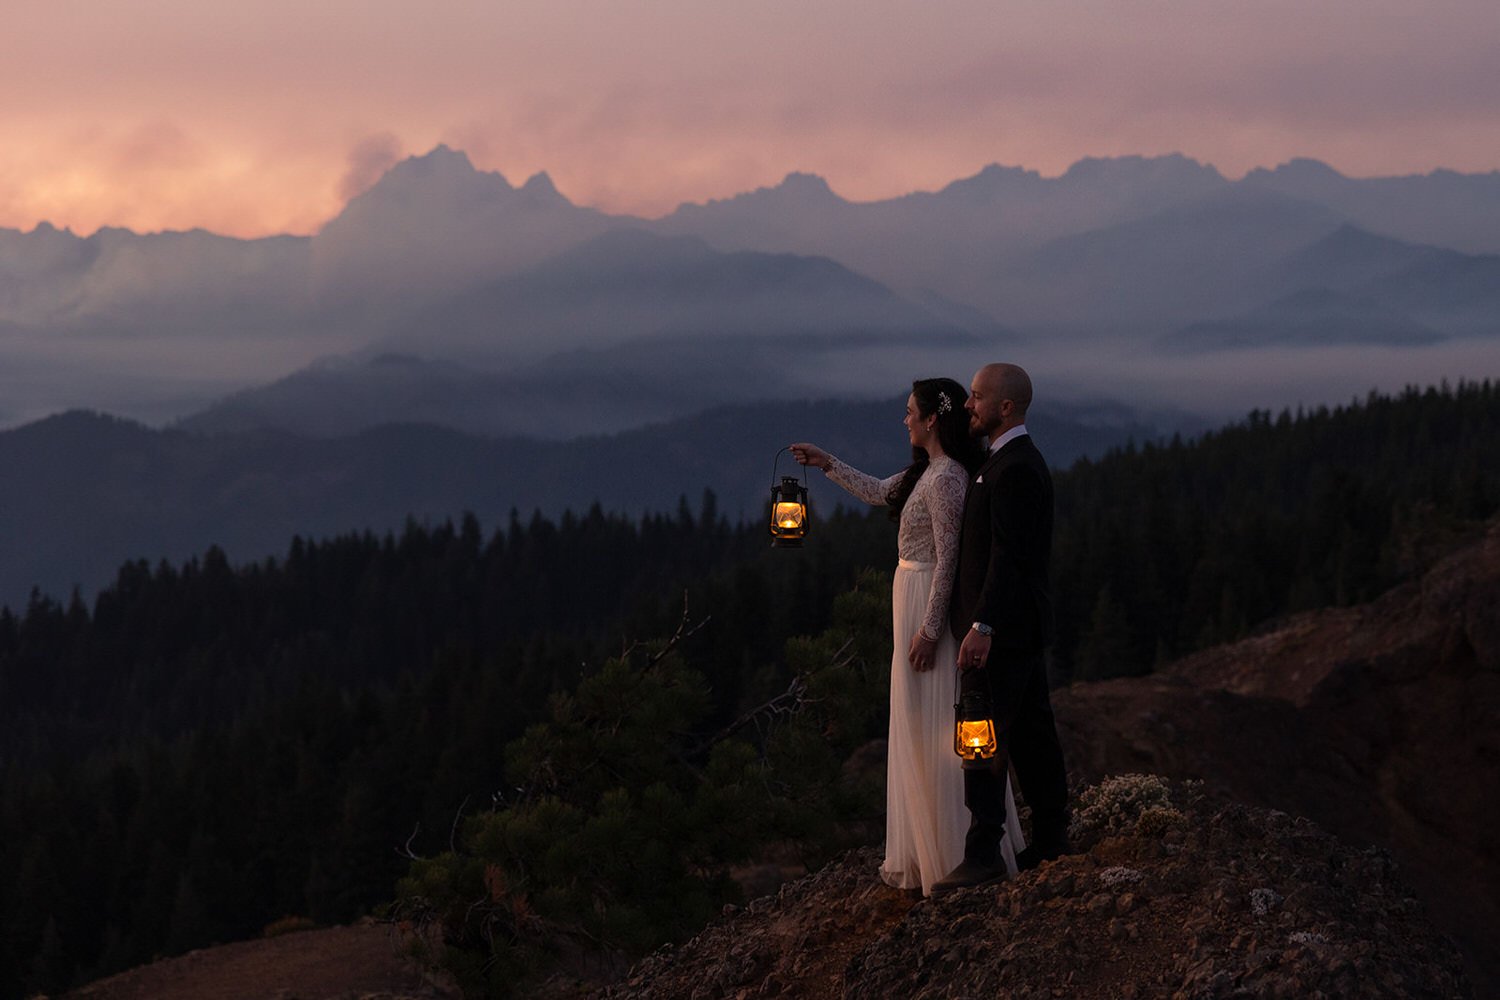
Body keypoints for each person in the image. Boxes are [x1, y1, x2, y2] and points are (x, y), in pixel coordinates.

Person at [791, 378, 1025, 895]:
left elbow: (948, 561)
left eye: (909, 412)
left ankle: (952, 849)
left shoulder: (947, 481)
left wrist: (929, 629)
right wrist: (827, 464)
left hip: (924, 601)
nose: (904, 421)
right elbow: (879, 491)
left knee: (934, 721)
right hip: (909, 592)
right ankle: (930, 846)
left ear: (931, 420)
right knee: (917, 720)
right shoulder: (929, 473)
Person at [932, 362, 1071, 894]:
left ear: (1004, 407)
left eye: (976, 397)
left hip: (1002, 631)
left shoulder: (1014, 469)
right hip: (1018, 629)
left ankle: (984, 851)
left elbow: (1009, 558)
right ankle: (1053, 835)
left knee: (979, 732)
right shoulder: (1008, 462)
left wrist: (982, 624)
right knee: (1033, 731)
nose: (968, 405)